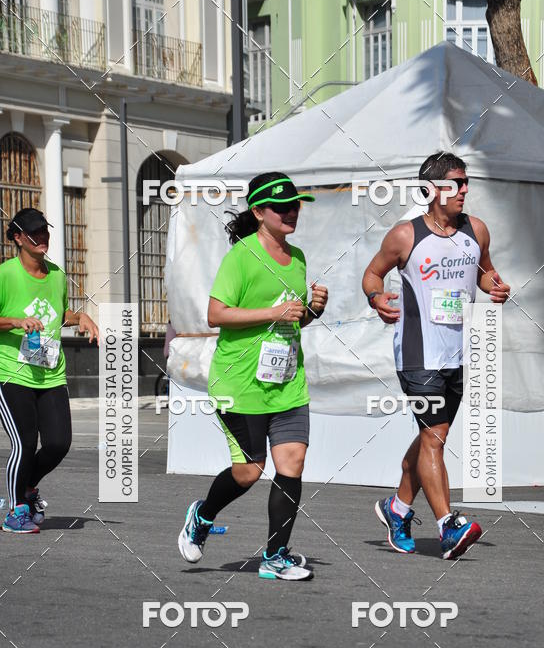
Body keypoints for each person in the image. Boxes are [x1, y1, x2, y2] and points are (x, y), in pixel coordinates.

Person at [178, 172, 328, 580]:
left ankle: (274, 556)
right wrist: (273, 313)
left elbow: (293, 322)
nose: (291, 212)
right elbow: (216, 314)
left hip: (287, 381)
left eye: (295, 205)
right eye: (281, 207)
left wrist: (314, 309)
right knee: (249, 471)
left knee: (292, 462)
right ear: (259, 212)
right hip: (239, 382)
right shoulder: (241, 257)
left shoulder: (296, 259)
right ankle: (203, 515)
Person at [362, 152, 511, 559]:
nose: (464, 190)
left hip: (460, 353)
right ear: (431, 190)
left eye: (466, 183)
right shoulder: (405, 236)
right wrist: (377, 297)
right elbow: (371, 273)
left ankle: (398, 508)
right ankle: (448, 525)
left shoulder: (476, 230)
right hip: (417, 354)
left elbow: (485, 272)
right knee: (434, 436)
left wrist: (496, 287)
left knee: (434, 436)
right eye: (456, 183)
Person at [0, 208, 99, 533]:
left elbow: (58, 312)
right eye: (34, 233)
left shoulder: (57, 275)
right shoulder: (6, 275)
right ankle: (16, 511)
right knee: (25, 443)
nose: (42, 238)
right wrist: (15, 321)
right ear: (17, 238)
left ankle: (26, 487)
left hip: (51, 373)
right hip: (12, 374)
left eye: (45, 231)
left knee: (59, 443)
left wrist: (80, 317)